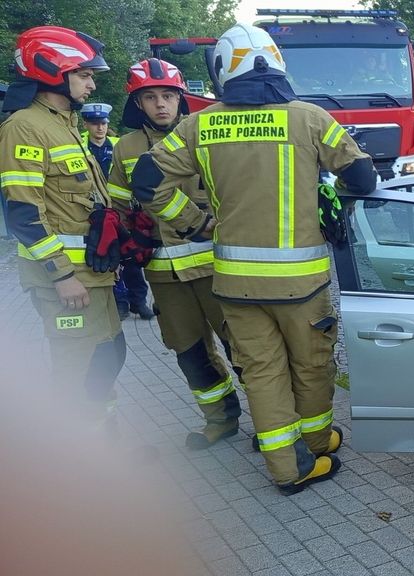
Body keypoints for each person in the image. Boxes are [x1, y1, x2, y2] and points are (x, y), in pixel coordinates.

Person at [133, 24, 377, 494]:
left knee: (262, 373)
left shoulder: (199, 124)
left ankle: (286, 468)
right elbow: (363, 179)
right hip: (300, 286)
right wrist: (328, 195)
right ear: (276, 63)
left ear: (224, 70)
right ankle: (316, 441)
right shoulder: (309, 118)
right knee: (310, 365)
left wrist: (194, 222)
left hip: (234, 284)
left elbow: (147, 182)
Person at [108, 57, 244, 450]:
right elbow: (119, 206)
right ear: (138, 104)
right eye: (150, 97)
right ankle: (220, 419)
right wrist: (127, 234)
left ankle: (271, 421)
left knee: (244, 349)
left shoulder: (203, 133)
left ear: (180, 98)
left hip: (219, 268)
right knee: (189, 352)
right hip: (164, 276)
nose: (160, 104)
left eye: (167, 95)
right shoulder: (126, 149)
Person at [0, 26, 125, 432]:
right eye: (85, 74)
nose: (91, 83)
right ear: (53, 69)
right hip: (65, 281)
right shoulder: (25, 126)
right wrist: (63, 275)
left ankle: (100, 445)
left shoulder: (65, 122)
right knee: (77, 371)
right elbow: (24, 213)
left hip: (91, 274)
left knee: (108, 356)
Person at [80, 102, 154, 320]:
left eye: (103, 123)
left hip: (121, 209)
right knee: (109, 255)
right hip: (96, 210)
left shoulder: (118, 145)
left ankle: (138, 301)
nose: (100, 128)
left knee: (130, 255)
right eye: (94, 124)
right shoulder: (78, 147)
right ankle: (120, 302)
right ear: (85, 124)